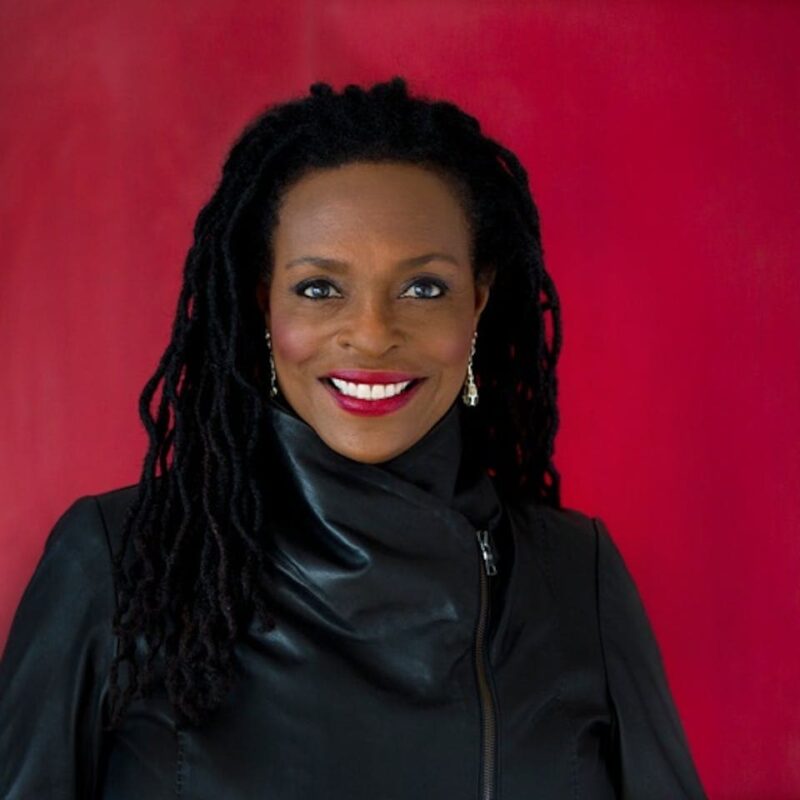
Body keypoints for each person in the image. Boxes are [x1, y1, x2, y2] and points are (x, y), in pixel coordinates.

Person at [0, 76, 707, 799]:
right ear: (263, 305)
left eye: (423, 288)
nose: (371, 334)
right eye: (318, 288)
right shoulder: (118, 564)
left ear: (478, 302)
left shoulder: (573, 578)